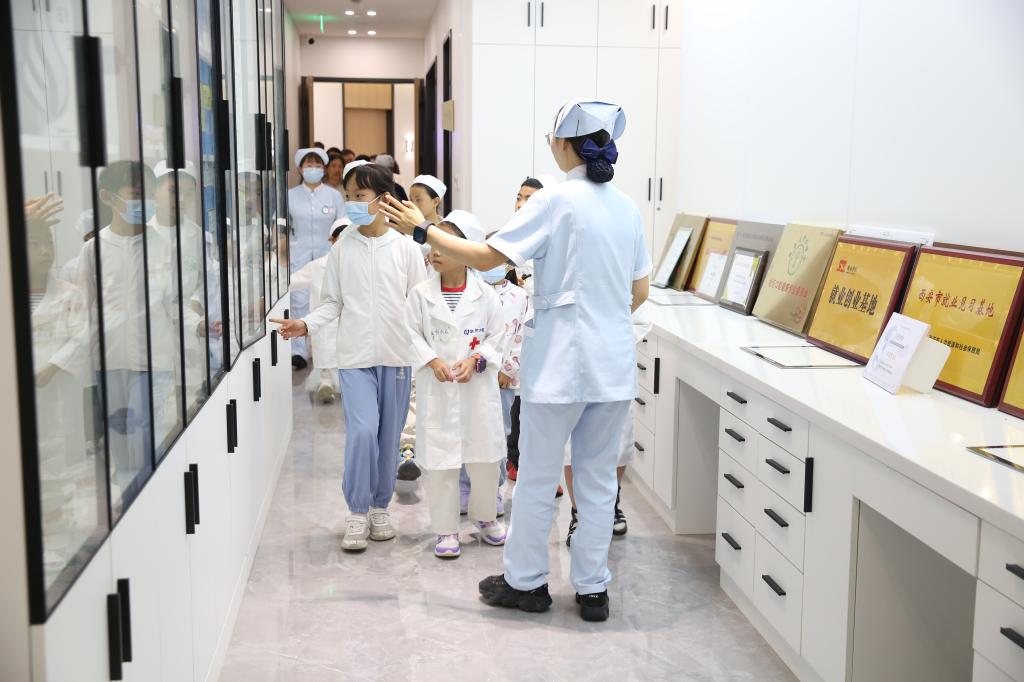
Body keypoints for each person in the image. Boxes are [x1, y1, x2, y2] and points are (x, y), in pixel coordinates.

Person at [381, 99, 651, 622]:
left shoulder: (554, 201)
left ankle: (527, 583)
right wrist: (599, 318)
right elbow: (638, 292)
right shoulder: (627, 208)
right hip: (614, 363)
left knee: (537, 477)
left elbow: (487, 256)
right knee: (599, 482)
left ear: (564, 144)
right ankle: (593, 589)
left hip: (560, 367)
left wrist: (422, 229)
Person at [272, 162, 427, 552]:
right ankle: (357, 511)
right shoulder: (343, 250)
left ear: (383, 199)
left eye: (360, 195)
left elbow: (421, 305)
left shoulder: (407, 249)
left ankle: (380, 507)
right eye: (349, 196)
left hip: (396, 357)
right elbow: (332, 303)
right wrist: (305, 324)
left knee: (389, 437)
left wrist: (430, 354)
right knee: (362, 432)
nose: (353, 203)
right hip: (355, 358)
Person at [407, 210, 508, 558]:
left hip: (477, 390)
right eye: (432, 243)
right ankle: (446, 530)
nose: (434, 251)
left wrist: (477, 359)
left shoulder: (486, 296)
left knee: (485, 458)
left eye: (444, 244)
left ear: (466, 251)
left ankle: (486, 517)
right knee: (441, 463)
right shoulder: (420, 294)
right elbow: (410, 334)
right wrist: (431, 360)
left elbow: (498, 336)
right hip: (438, 389)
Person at [564, 308, 653, 545]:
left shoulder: (623, 283)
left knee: (618, 443)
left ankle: (611, 504)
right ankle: (578, 514)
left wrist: (610, 337)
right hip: (572, 363)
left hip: (614, 365)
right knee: (572, 446)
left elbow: (641, 315)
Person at [461, 249, 531, 517]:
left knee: (497, 434)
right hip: (471, 374)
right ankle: (464, 488)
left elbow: (523, 335)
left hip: (502, 379)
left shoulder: (520, 297)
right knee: (467, 430)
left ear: (509, 264)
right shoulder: (471, 291)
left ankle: (493, 491)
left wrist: (509, 369)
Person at [287, 147, 345, 369]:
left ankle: (327, 353)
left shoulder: (333, 196)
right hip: (299, 252)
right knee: (299, 300)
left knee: (325, 301)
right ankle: (299, 351)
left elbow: (343, 224)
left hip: (327, 254)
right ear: (300, 168)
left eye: (317, 165)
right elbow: (281, 224)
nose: (313, 168)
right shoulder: (290, 195)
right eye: (309, 164)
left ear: (324, 168)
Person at [290, 219, 351, 403]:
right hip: (324, 325)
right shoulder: (317, 266)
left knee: (348, 363)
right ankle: (326, 384)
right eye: (340, 238)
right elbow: (291, 282)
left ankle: (343, 387)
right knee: (325, 360)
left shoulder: (359, 265)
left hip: (350, 324)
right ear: (331, 240)